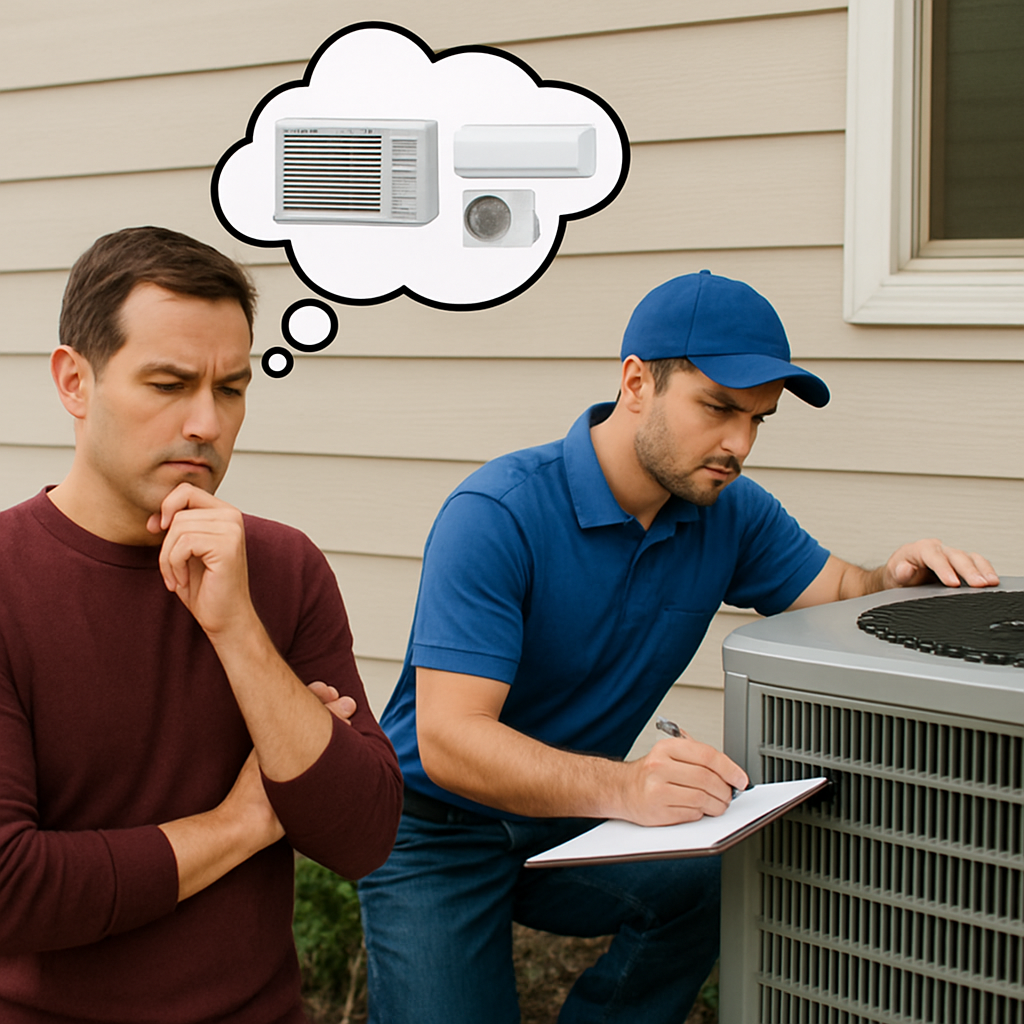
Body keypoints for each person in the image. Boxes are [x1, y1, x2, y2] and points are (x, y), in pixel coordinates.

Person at [357, 270, 999, 1024]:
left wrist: (893, 576)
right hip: (436, 827)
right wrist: (628, 790)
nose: (739, 444)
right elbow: (450, 743)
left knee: (713, 880)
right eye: (719, 408)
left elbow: (834, 591)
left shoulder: (728, 511)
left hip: (567, 813)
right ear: (637, 382)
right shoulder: (497, 513)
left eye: (759, 420)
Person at [0, 226, 402, 1023]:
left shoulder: (282, 569)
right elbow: (12, 889)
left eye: (230, 388)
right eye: (169, 383)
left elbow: (363, 839)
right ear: (74, 382)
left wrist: (238, 630)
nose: (207, 424)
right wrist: (240, 823)